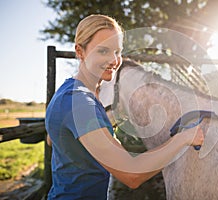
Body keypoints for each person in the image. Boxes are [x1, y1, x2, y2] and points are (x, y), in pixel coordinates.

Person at [45, 14, 204, 200]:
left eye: (117, 51)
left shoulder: (70, 91)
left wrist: (101, 132)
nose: (114, 60)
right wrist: (184, 138)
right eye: (103, 51)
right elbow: (131, 174)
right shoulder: (79, 102)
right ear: (80, 52)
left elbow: (52, 138)